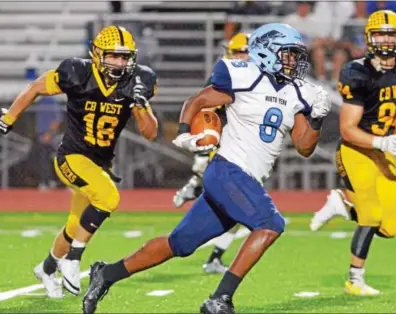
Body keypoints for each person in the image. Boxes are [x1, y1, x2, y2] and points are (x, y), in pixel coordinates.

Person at [82, 22, 332, 314]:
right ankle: (220, 298)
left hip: (246, 179)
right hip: (227, 169)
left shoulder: (300, 92)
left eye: (295, 55)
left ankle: (106, 273)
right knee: (270, 224)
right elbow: (199, 100)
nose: (294, 61)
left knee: (179, 244)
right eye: (288, 54)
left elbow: (304, 147)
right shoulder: (243, 75)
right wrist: (186, 132)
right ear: (266, 51)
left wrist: (316, 117)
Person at [0, 25, 159, 298]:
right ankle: (73, 258)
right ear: (97, 54)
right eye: (113, 56)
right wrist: (10, 117)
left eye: (125, 57)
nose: (120, 63)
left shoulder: (137, 81)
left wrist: (140, 105)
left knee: (75, 224)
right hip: (71, 156)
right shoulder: (77, 72)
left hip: (100, 164)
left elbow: (151, 133)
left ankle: (47, 268)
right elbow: (36, 87)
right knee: (108, 198)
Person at [309, 10, 396, 295]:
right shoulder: (357, 72)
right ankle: (355, 280)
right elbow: (348, 129)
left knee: (392, 227)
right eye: (380, 33)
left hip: (386, 154)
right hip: (357, 150)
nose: (385, 39)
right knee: (370, 215)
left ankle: (342, 205)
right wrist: (379, 142)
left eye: (390, 33)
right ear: (370, 37)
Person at [173, 32, 250, 274]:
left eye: (246, 52)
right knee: (238, 207)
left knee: (236, 210)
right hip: (225, 147)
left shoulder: (257, 78)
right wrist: (202, 147)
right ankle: (196, 186)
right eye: (239, 52)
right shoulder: (223, 77)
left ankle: (195, 188)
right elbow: (204, 114)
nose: (244, 57)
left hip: (245, 147)